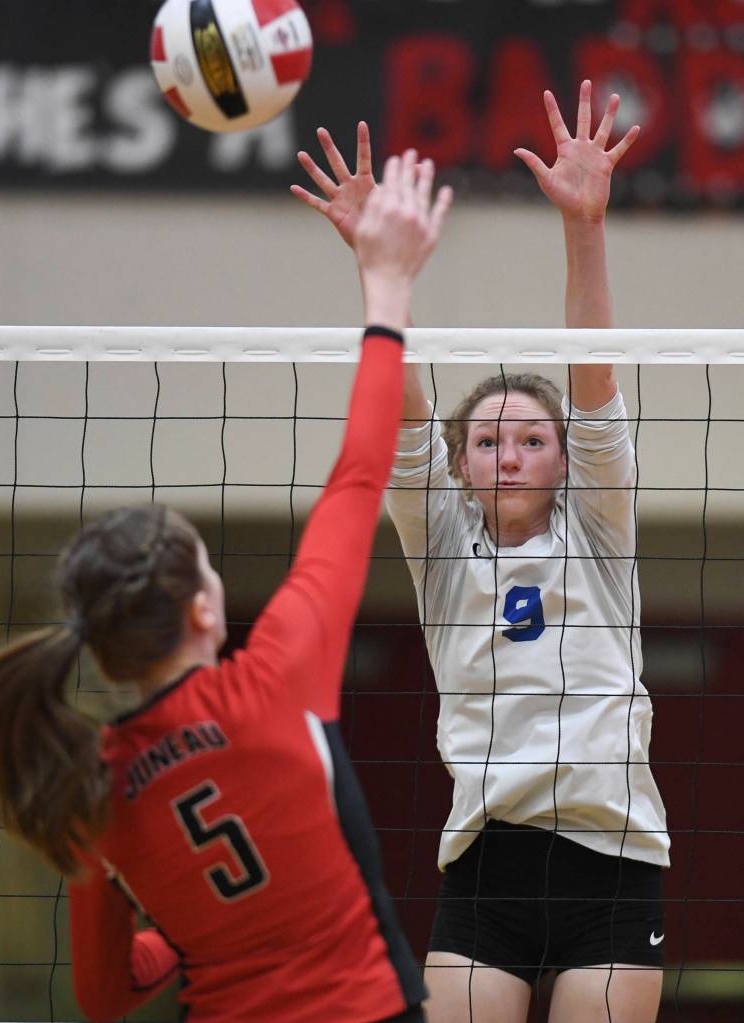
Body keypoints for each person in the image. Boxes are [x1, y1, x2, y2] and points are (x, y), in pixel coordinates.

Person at [0, 152, 453, 1023]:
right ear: (202, 608)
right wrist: (385, 284)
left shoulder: (90, 785)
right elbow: (358, 476)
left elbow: (105, 994)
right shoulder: (276, 676)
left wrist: (191, 933)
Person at [292, 82, 669, 1023]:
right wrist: (384, 269)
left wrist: (586, 228)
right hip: (485, 868)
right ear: (462, 465)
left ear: (564, 462)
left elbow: (592, 387)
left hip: (613, 864)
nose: (511, 452)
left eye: (532, 440)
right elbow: (406, 425)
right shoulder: (446, 546)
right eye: (491, 440)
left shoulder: (598, 529)